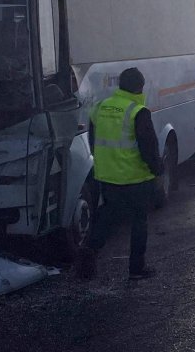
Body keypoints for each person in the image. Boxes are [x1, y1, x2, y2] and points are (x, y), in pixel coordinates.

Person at [77, 67, 164, 280]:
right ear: (139, 87)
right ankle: (136, 268)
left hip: (107, 176)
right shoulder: (138, 111)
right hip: (135, 177)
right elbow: (149, 148)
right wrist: (157, 172)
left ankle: (88, 253)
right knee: (139, 221)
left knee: (107, 216)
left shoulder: (103, 107)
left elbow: (94, 130)